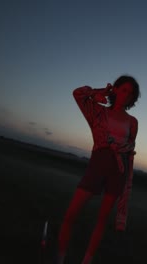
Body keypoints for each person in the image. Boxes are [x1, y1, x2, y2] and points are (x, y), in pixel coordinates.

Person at [56, 75, 140, 264]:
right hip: (98, 164)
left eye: (131, 93)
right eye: (124, 90)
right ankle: (59, 259)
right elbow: (78, 94)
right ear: (116, 89)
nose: (127, 95)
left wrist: (126, 185)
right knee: (71, 214)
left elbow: (129, 152)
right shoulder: (97, 112)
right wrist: (102, 91)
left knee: (101, 221)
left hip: (118, 170)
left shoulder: (133, 122)